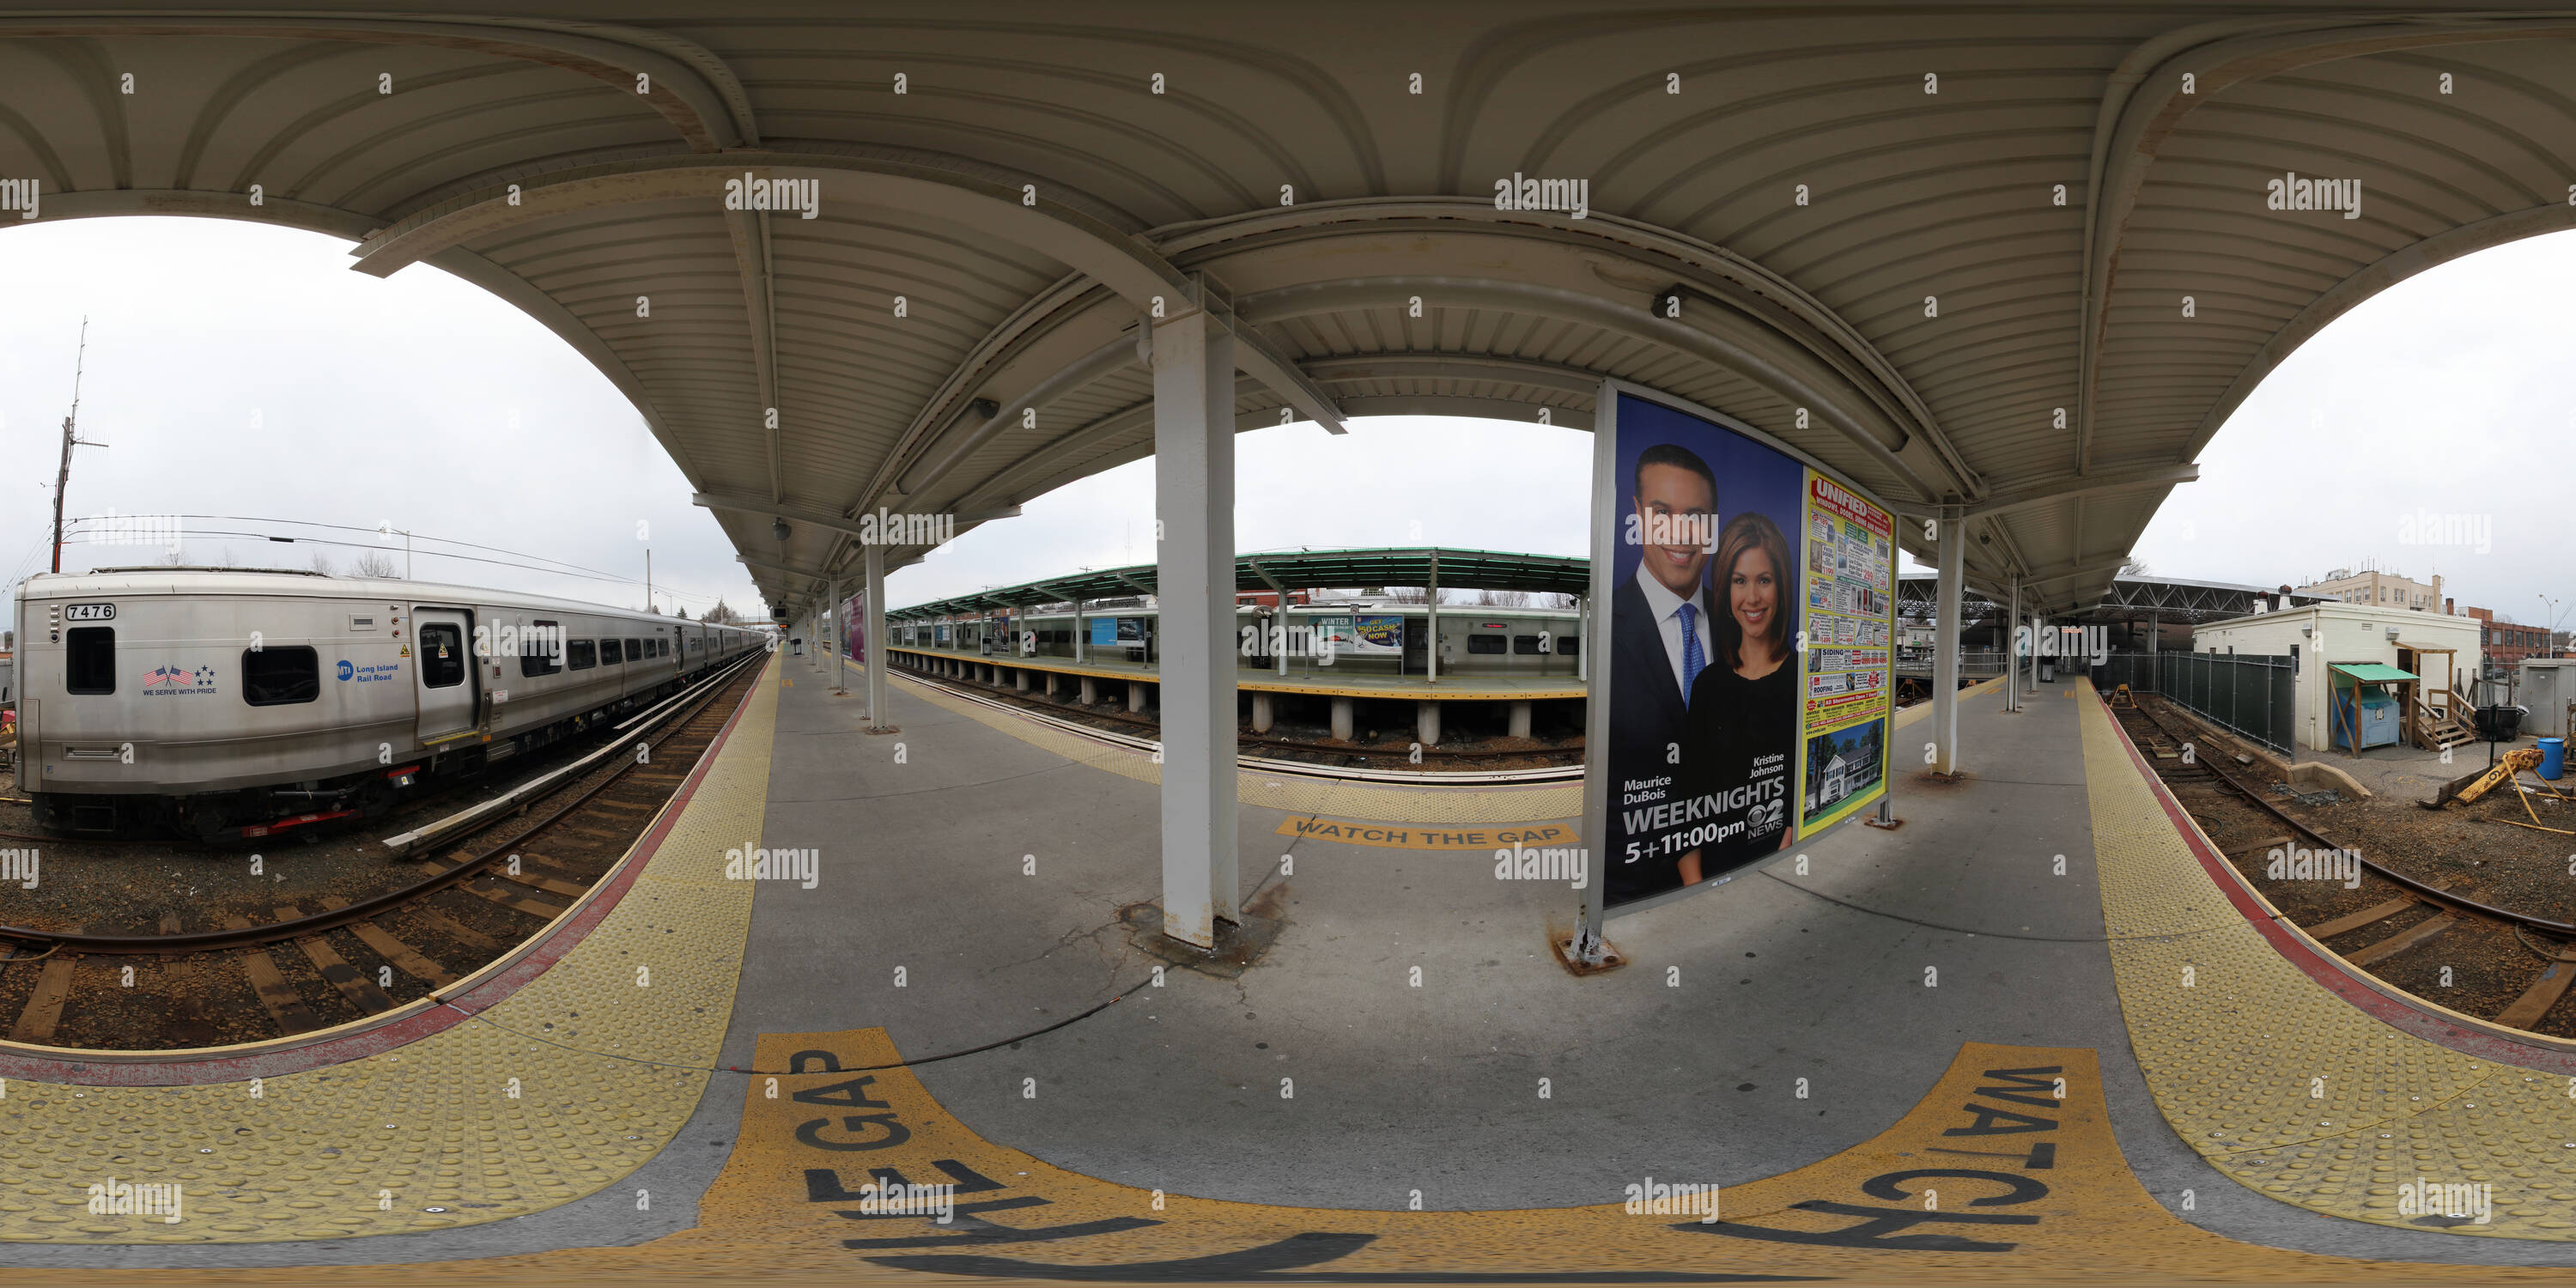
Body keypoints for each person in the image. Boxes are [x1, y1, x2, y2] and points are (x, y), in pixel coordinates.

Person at [1606, 443, 1719, 904]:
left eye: (1696, 516)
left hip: (1732, 865)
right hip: (1632, 894)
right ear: (1636, 514)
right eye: (1661, 512)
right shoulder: (1606, 627)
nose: (1681, 533)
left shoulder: (1742, 623)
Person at [1678, 512, 1798, 884]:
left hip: (1783, 875)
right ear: (1725, 588)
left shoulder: (1802, 681)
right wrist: (1695, 889)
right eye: (1739, 581)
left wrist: (1777, 872)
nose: (1752, 597)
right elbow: (1688, 798)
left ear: (1782, 586)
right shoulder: (1707, 686)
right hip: (1711, 880)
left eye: (1764, 580)